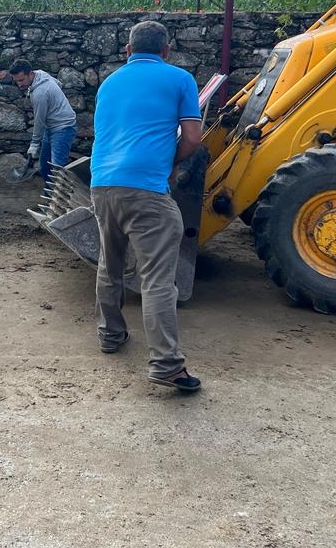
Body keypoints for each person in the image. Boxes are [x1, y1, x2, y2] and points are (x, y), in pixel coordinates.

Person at [90, 20, 203, 393]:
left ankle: (110, 334)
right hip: (147, 190)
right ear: (167, 51)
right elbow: (191, 138)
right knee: (156, 279)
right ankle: (167, 365)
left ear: (127, 50)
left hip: (102, 185)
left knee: (110, 263)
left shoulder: (109, 83)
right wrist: (171, 165)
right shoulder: (180, 79)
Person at [7, 59, 76, 192]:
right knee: (44, 166)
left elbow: (39, 121)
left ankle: (55, 202)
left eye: (21, 80)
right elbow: (58, 83)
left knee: (57, 169)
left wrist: (34, 144)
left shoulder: (40, 93)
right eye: (16, 81)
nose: (19, 84)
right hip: (51, 126)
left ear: (30, 74)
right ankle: (50, 194)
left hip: (63, 127)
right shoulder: (40, 74)